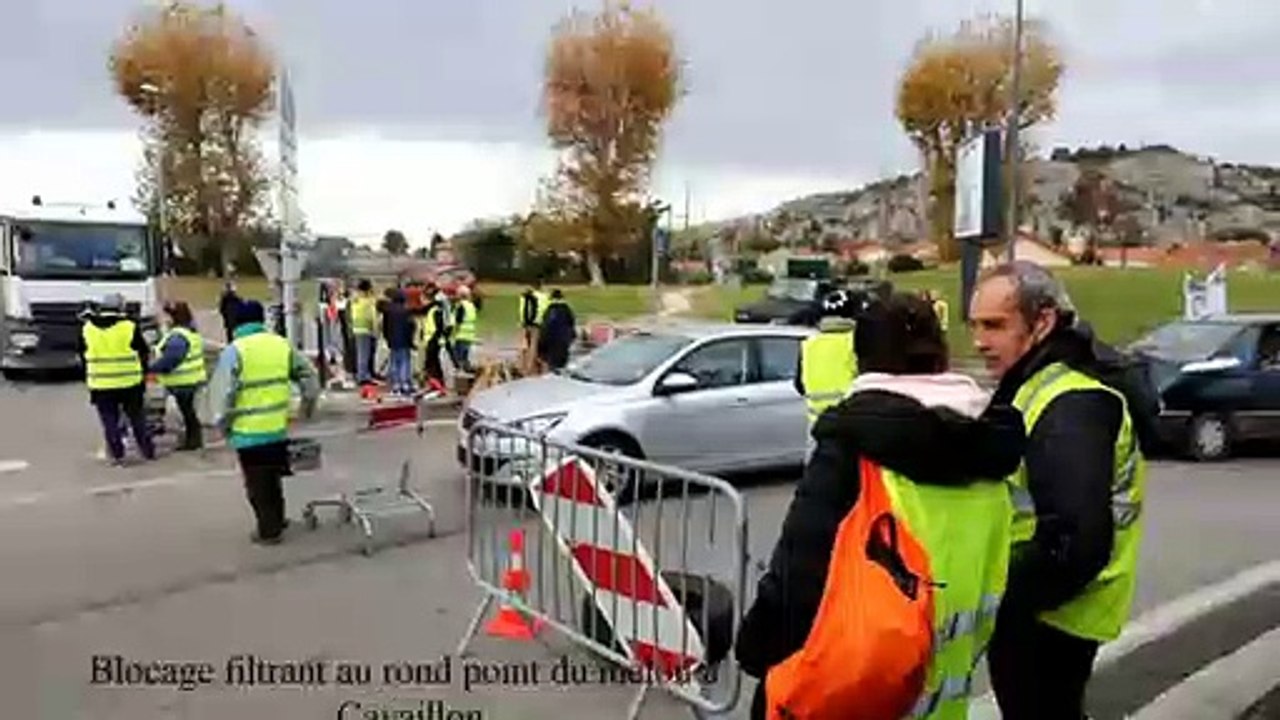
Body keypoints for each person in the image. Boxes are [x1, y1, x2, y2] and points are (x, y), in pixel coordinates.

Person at [736, 292, 1025, 720]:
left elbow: (798, 580)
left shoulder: (851, 453)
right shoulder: (992, 452)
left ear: (860, 359)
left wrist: (756, 650)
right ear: (941, 357)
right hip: (944, 697)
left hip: (852, 695)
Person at [969, 261, 1148, 720]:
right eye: (974, 326)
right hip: (1046, 609)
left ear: (1043, 322)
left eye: (994, 326)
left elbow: (1076, 542)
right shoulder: (1040, 385)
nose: (979, 342)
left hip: (1051, 617)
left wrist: (999, 596)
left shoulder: (1071, 402)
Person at [208, 300, 320, 545]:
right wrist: (306, 408)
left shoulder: (235, 351)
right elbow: (310, 377)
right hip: (277, 427)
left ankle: (268, 531)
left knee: (257, 484)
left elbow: (223, 394)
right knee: (273, 478)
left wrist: (222, 425)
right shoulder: (281, 345)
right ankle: (278, 520)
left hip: (248, 432)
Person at [77, 293, 157, 466]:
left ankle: (118, 454)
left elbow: (82, 356)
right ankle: (147, 450)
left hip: (101, 384)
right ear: (121, 307)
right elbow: (143, 351)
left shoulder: (87, 328)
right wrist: (143, 372)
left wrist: (89, 375)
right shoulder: (129, 326)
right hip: (130, 382)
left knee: (109, 420)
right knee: (137, 418)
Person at [794, 289, 858, 431]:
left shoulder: (809, 344)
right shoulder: (856, 341)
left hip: (818, 425)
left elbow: (799, 385)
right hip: (852, 422)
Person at [148, 301, 206, 451]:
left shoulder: (177, 337)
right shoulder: (189, 332)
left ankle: (191, 441)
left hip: (182, 382)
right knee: (188, 413)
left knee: (184, 414)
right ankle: (193, 439)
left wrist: (152, 368)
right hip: (191, 379)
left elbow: (171, 360)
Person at [381, 288, 416, 395]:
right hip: (404, 340)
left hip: (393, 340)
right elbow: (411, 327)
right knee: (405, 361)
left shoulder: (388, 311)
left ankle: (395, 385)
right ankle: (404, 384)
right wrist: (411, 341)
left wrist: (387, 338)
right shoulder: (407, 311)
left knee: (394, 361)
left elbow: (385, 327)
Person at [417, 292, 451, 395]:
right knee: (434, 363)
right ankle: (437, 382)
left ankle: (435, 382)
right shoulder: (438, 310)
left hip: (433, 340)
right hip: (433, 340)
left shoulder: (435, 311)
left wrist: (432, 339)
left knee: (431, 363)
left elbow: (438, 327)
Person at [538, 289, 576, 372]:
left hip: (551, 342)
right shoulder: (567, 310)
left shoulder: (549, 310)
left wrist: (541, 344)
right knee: (562, 363)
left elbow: (545, 326)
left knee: (552, 364)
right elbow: (572, 324)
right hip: (563, 341)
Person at [350, 279, 378, 385]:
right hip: (366, 329)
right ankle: (363, 377)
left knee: (362, 353)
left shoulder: (355, 300)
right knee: (364, 354)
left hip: (357, 329)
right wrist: (375, 330)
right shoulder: (368, 302)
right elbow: (372, 317)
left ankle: (363, 375)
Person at [519, 279, 549, 375]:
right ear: (541, 286)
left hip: (525, 323)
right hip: (537, 324)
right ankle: (531, 368)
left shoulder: (524, 296)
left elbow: (522, 309)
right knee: (534, 346)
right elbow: (545, 310)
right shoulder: (543, 297)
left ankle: (523, 366)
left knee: (525, 345)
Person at [452, 285, 479, 373]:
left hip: (461, 334)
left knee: (458, 357)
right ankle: (467, 370)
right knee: (465, 355)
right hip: (469, 335)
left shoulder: (461, 306)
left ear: (460, 295)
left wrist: (454, 332)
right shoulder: (471, 306)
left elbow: (458, 321)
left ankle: (459, 374)